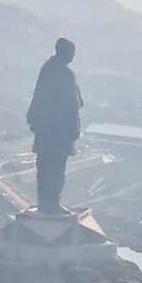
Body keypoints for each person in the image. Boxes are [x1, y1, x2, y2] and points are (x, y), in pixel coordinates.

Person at [26, 37, 83, 214]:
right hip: (58, 133)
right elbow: (72, 105)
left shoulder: (47, 69)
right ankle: (51, 204)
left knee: (43, 167)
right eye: (72, 54)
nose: (73, 57)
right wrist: (73, 131)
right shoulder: (65, 74)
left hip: (44, 131)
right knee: (55, 168)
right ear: (65, 53)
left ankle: (45, 202)